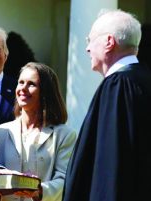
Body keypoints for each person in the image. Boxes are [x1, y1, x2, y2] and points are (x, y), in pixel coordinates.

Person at [63, 9, 151, 201]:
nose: (87, 49)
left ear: (109, 42)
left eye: (90, 40)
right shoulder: (142, 80)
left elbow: (110, 165)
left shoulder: (118, 86)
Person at [0, 62, 77, 201]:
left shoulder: (65, 135)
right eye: (21, 83)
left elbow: (65, 179)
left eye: (31, 84)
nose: (23, 89)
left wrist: (39, 191)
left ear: (45, 92)